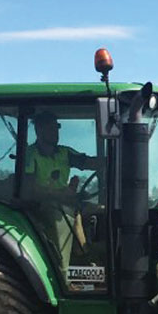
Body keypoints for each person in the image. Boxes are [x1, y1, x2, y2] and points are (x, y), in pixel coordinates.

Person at [25, 110, 103, 280]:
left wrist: (113, 158)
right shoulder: (31, 155)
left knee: (101, 211)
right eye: (51, 128)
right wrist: (60, 193)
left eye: (57, 127)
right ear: (39, 130)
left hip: (67, 203)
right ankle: (62, 275)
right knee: (59, 215)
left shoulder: (64, 153)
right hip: (39, 206)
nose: (55, 131)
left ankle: (91, 265)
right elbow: (30, 189)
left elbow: (88, 162)